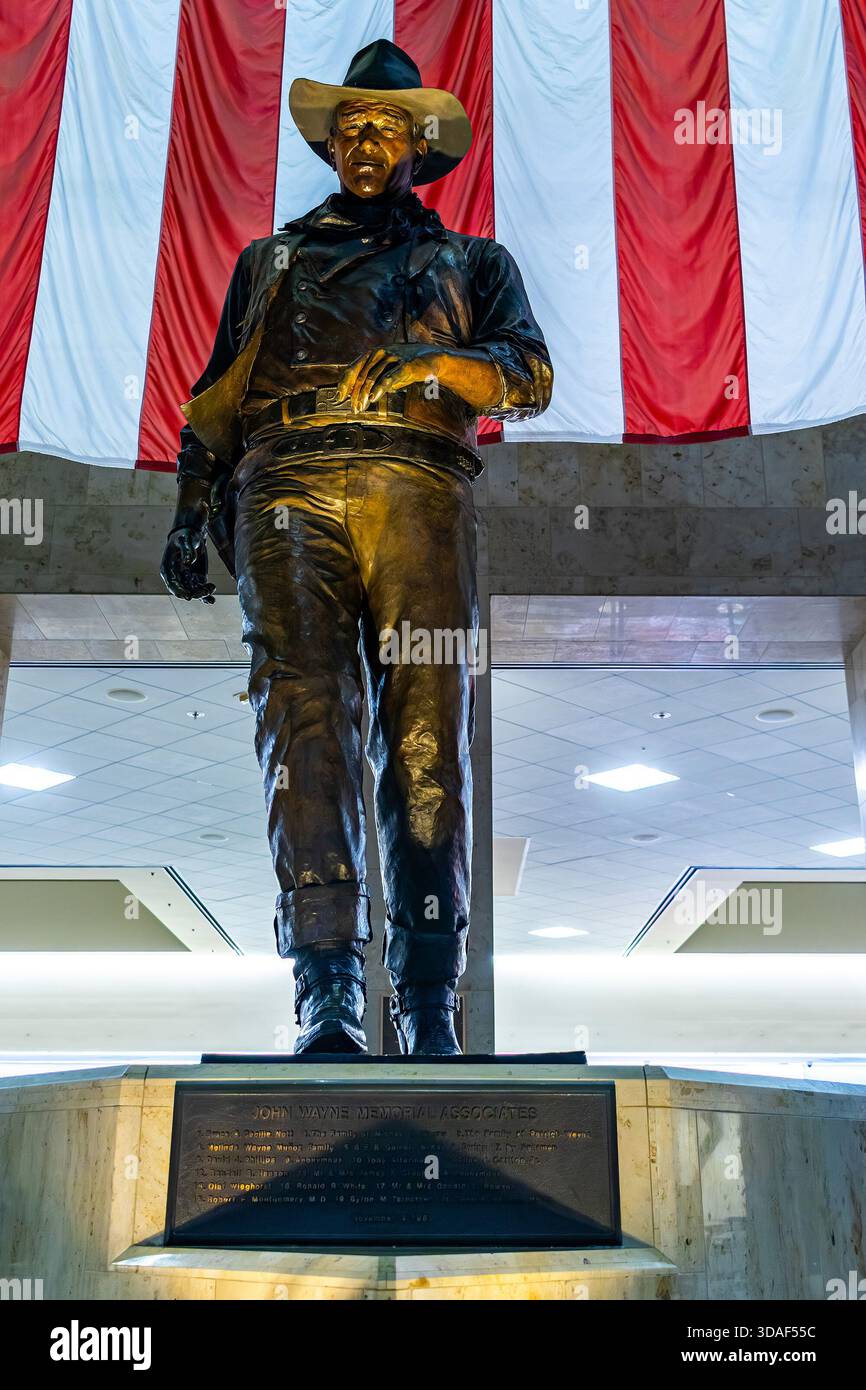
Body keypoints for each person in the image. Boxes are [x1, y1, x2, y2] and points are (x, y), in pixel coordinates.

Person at [160, 40, 552, 1055]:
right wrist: (189, 504)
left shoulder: (470, 263)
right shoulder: (272, 260)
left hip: (415, 488)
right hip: (286, 486)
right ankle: (325, 990)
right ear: (330, 145)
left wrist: (436, 363)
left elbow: (527, 373)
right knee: (303, 734)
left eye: (383, 128)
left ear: (419, 144)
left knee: (425, 744)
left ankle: (428, 1001)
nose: (365, 144)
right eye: (349, 130)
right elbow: (216, 399)